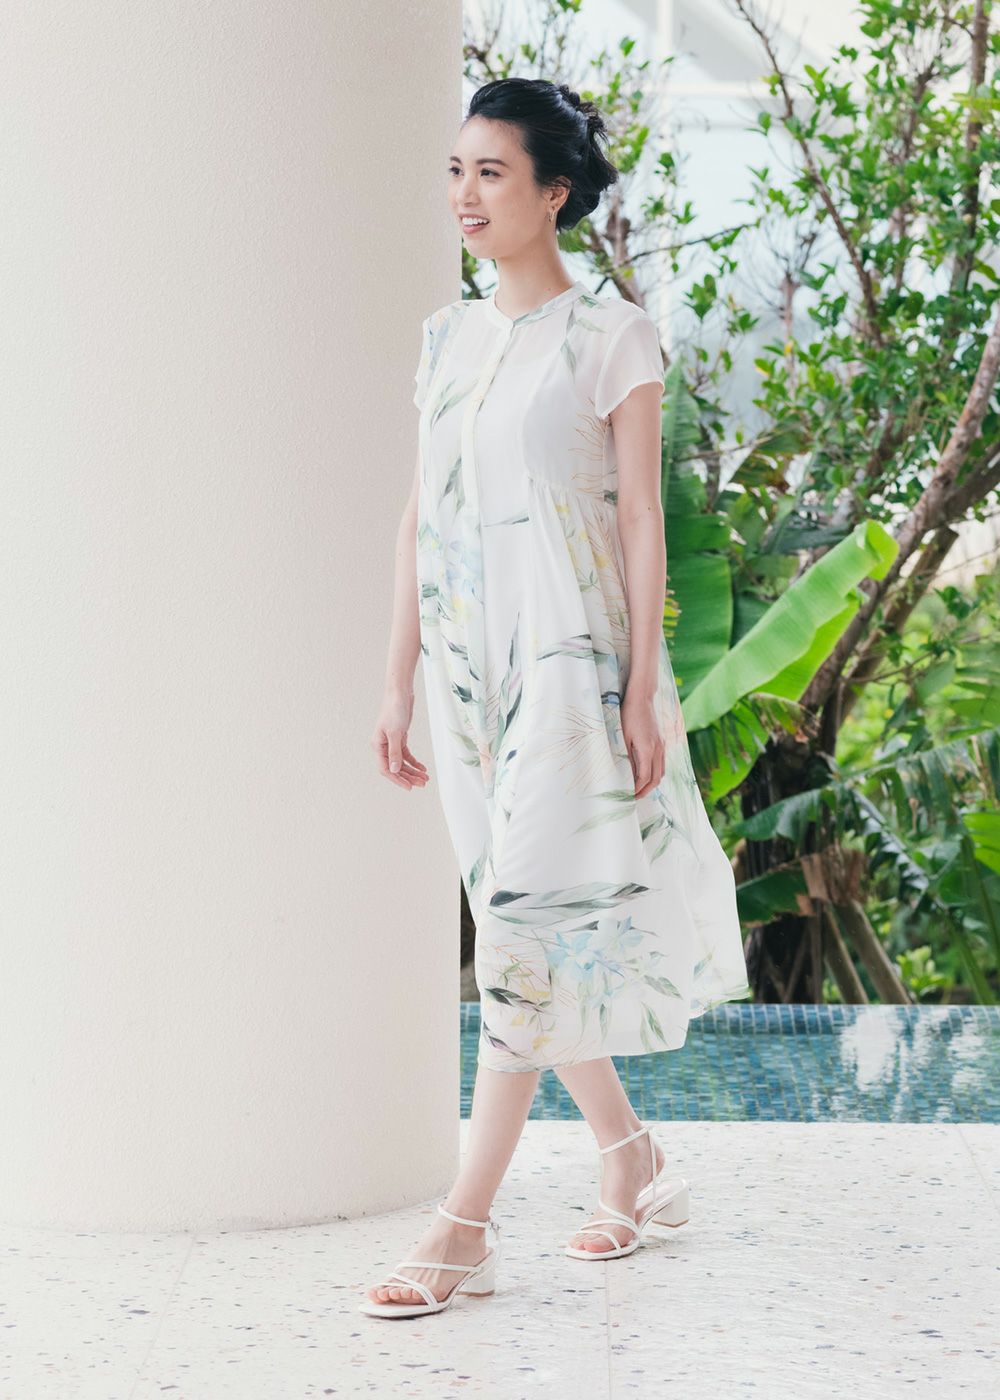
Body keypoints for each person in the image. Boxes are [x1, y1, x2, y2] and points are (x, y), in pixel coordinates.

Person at [362, 77, 750, 1319]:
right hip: (466, 674)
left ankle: (462, 1225)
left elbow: (637, 520)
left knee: (522, 936)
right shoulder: (446, 338)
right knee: (523, 925)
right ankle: (630, 1157)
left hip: (571, 670)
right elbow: (421, 515)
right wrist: (397, 676)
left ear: (553, 193)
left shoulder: (611, 335)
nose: (465, 194)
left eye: (491, 172)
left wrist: (640, 690)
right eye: (456, 169)